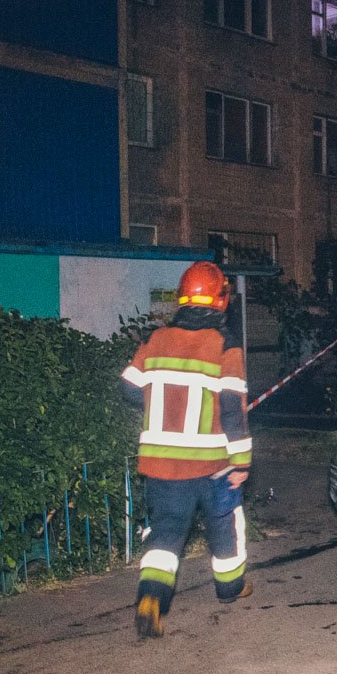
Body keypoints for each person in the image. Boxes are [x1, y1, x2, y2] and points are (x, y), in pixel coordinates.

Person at [122, 261, 253, 639]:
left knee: (166, 533)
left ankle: (151, 599)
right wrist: (242, 461)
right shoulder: (225, 347)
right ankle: (230, 587)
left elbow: (129, 388)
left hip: (162, 466)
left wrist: (161, 399)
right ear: (221, 300)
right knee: (225, 525)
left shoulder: (156, 338)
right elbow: (231, 408)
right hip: (212, 466)